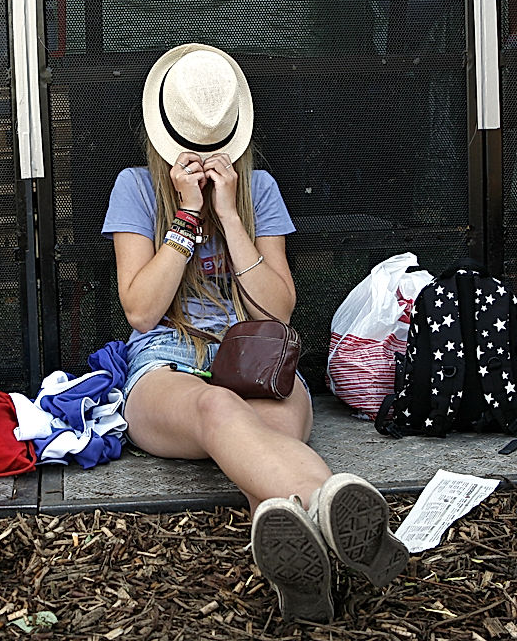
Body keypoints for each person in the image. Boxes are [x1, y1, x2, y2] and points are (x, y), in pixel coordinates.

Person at [101, 43, 409, 622]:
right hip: (167, 364)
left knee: (264, 453)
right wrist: (188, 219)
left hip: (256, 354)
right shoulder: (136, 188)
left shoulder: (258, 188)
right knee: (220, 410)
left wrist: (233, 218)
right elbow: (141, 312)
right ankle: (345, 520)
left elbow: (278, 312)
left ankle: (304, 588)